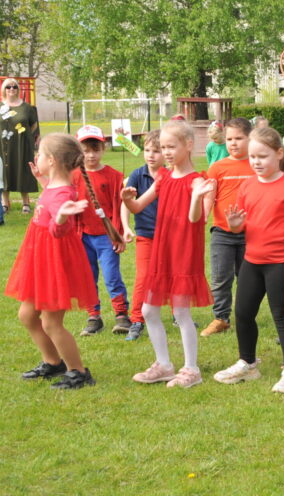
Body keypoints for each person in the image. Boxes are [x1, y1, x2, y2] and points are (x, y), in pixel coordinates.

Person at [214, 126, 284, 393]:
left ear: (279, 154)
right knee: (243, 313)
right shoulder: (247, 185)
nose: (256, 162)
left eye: (262, 156)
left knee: (283, 316)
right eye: (252, 157)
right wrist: (235, 225)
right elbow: (240, 226)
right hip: (252, 261)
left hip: (281, 263)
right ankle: (248, 364)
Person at [123, 120, 215, 389]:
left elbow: (196, 219)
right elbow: (138, 206)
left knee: (181, 312)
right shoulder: (163, 177)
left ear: (189, 145)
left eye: (171, 147)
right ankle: (163, 365)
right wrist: (127, 199)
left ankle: (191, 369)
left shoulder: (198, 181)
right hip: (162, 251)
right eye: (163, 147)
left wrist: (196, 197)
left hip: (183, 251)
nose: (166, 152)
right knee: (148, 310)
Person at [4, 133, 97, 389]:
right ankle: (53, 362)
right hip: (40, 260)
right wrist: (42, 180)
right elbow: (52, 197)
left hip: (54, 262)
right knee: (27, 315)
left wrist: (61, 217)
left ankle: (78, 372)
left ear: (53, 160)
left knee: (50, 322)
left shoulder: (63, 194)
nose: (37, 158)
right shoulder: (57, 187)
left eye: (40, 154)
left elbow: (57, 229)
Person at [72, 125, 132, 336]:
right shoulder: (73, 176)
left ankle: (121, 315)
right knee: (88, 278)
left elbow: (119, 206)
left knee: (111, 276)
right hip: (83, 236)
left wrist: (118, 235)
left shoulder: (114, 176)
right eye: (86, 151)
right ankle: (93, 317)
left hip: (107, 237)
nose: (91, 155)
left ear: (103, 148)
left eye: (95, 150)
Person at [201, 117, 254, 337]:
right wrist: (202, 218)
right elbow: (209, 198)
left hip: (251, 234)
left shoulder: (257, 164)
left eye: (239, 138)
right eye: (230, 139)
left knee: (247, 278)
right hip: (222, 232)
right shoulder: (217, 168)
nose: (233, 143)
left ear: (250, 138)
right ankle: (221, 318)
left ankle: (245, 316)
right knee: (220, 278)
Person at [122, 130, 163, 341]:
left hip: (169, 237)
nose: (150, 155)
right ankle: (137, 320)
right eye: (147, 150)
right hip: (145, 235)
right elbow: (126, 202)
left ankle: (179, 314)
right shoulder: (138, 175)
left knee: (172, 277)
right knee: (143, 278)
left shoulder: (170, 176)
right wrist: (126, 226)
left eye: (156, 151)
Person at [0, 78, 40, 213]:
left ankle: (26, 203)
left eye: (14, 86)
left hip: (22, 144)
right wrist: (0, 136)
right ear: (4, 90)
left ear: (18, 89)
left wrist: (25, 135)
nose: (11, 89)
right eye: (8, 87)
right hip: (2, 145)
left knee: (23, 170)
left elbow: (34, 125)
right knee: (4, 171)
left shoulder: (27, 108)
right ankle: (5, 203)